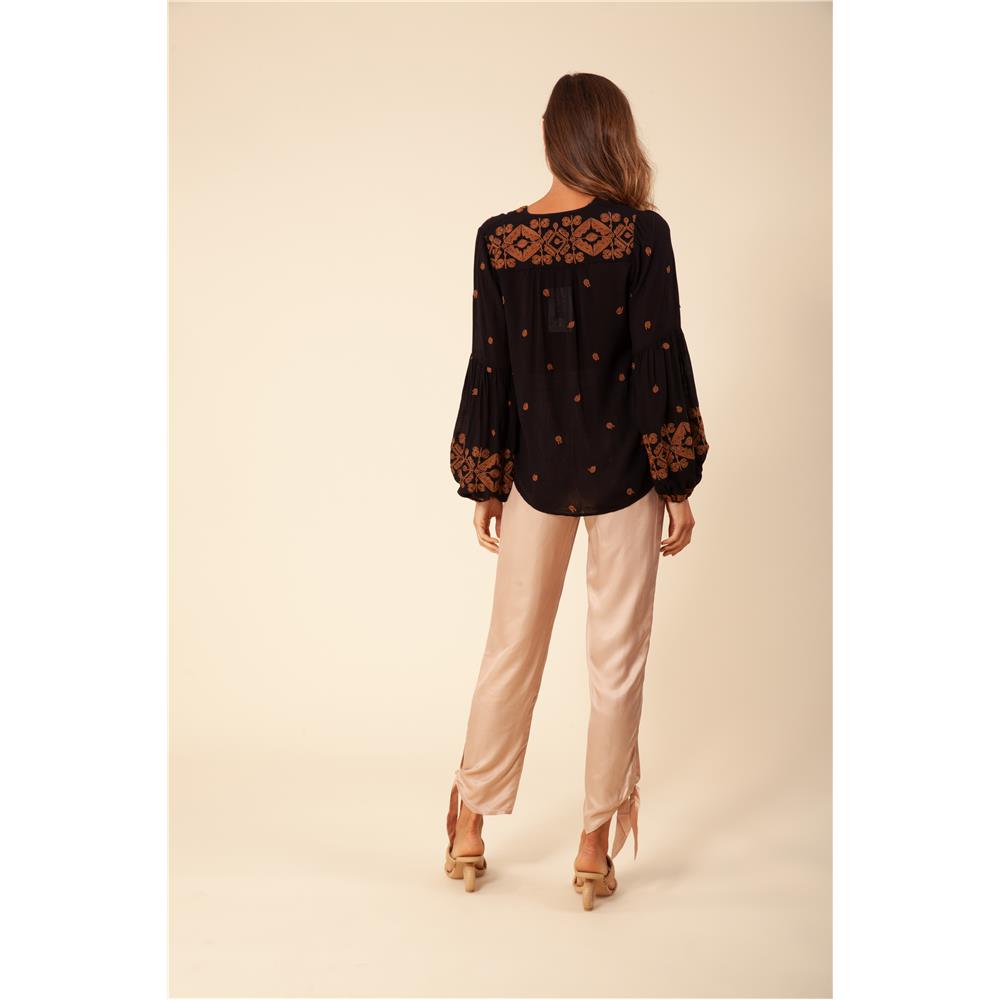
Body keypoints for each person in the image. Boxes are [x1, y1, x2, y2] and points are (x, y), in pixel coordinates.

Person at [444, 72, 710, 910]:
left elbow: (491, 363)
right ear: (614, 136)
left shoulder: (498, 240)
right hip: (627, 473)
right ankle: (593, 847)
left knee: (510, 650)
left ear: (552, 136)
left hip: (533, 478)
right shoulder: (641, 235)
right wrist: (676, 480)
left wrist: (486, 478)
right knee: (616, 663)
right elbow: (658, 356)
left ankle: (468, 825)